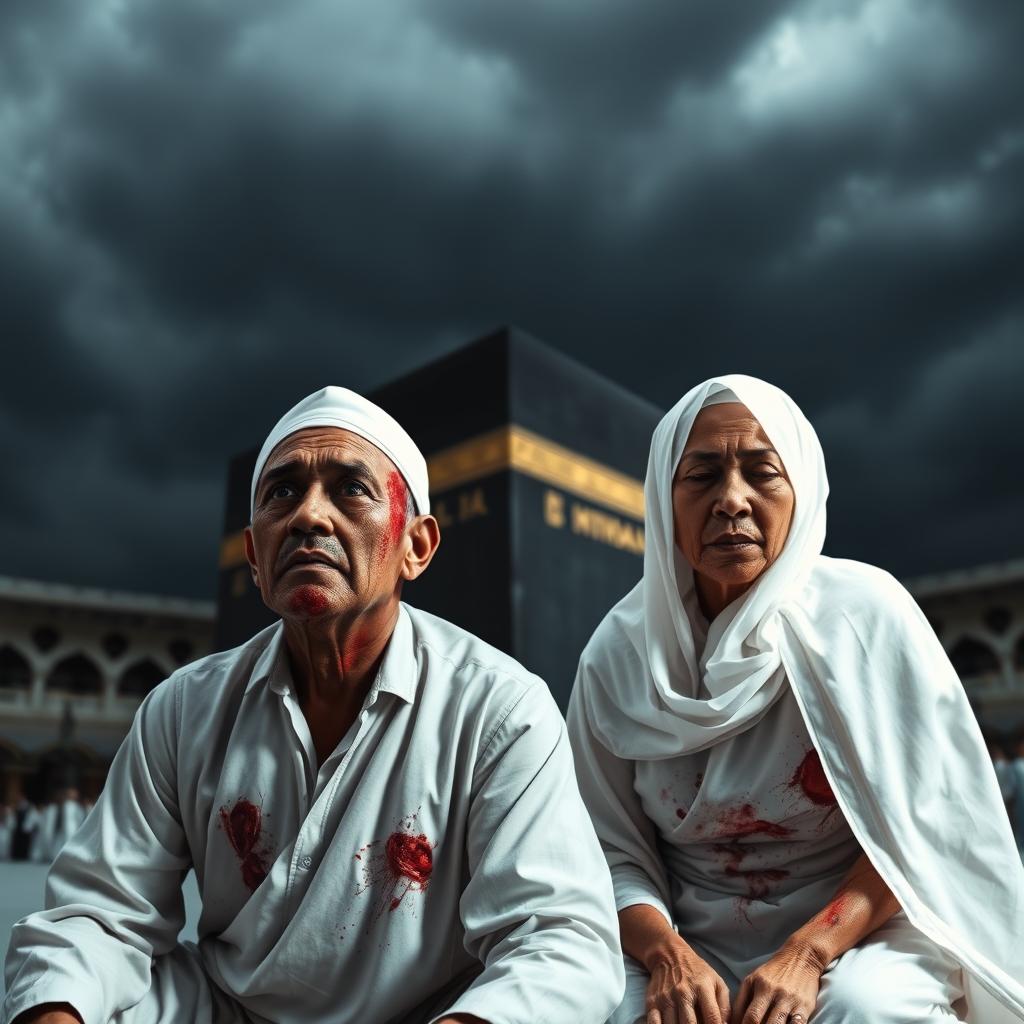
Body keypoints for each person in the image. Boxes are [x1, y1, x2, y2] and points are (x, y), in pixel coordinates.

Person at [4, 386, 624, 1024]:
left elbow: (559, 939)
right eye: (282, 492)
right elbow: (99, 914)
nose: (308, 517)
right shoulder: (183, 709)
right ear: (253, 555)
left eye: (351, 489)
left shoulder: (499, 709)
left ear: (418, 545)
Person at [567, 375, 1024, 1024]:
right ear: (663, 500)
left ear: (801, 489)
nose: (731, 500)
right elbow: (607, 849)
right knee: (602, 1007)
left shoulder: (865, 618)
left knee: (867, 1011)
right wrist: (667, 955)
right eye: (700, 477)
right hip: (683, 935)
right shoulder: (615, 657)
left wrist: (810, 952)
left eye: (762, 472)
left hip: (862, 921)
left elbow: (922, 831)